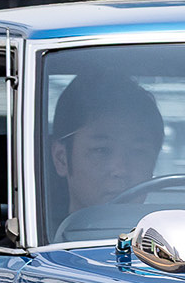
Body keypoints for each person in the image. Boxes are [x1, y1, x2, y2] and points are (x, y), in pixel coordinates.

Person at [50, 75, 165, 220]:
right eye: (101, 150)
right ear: (61, 159)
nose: (121, 170)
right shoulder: (39, 239)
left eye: (138, 152)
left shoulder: (173, 239)